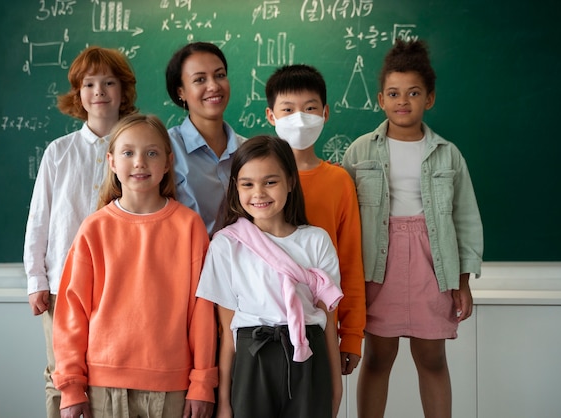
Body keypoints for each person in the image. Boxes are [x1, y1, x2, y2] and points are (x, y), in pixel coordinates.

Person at [342, 39, 483, 418]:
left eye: (414, 92)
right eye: (394, 93)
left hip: (432, 263)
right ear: (380, 99)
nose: (403, 100)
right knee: (377, 357)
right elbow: (346, 219)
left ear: (429, 99)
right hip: (378, 262)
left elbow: (466, 218)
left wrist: (463, 281)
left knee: (432, 358)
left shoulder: (447, 153)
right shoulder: (359, 151)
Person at [52, 113, 218, 418]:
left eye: (151, 153)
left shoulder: (189, 227)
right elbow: (72, 311)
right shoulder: (94, 228)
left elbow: (202, 310)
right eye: (128, 153)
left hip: (173, 386)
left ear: (168, 163)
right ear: (112, 162)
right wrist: (72, 385)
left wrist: (203, 381)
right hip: (104, 385)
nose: (139, 162)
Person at [23, 45, 138, 418]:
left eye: (109, 82)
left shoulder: (137, 151)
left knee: (108, 373)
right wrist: (35, 280)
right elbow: (39, 220)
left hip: (120, 283)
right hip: (62, 283)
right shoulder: (59, 152)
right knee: (62, 372)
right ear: (78, 95)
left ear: (124, 92)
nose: (100, 91)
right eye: (89, 84)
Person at [197, 135, 344, 418]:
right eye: (247, 184)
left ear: (290, 182)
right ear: (235, 187)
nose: (259, 193)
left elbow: (329, 325)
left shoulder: (316, 241)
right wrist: (225, 403)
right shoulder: (226, 245)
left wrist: (336, 389)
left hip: (309, 360)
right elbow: (228, 336)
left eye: (270, 182)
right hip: (253, 361)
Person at [264, 64, 366, 375]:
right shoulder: (257, 180)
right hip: (263, 323)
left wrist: (351, 335)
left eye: (310, 108)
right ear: (271, 116)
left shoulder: (339, 181)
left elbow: (349, 261)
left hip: (322, 323)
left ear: (325, 113)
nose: (300, 117)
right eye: (288, 109)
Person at [165, 41, 247, 235]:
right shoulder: (165, 148)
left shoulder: (249, 150)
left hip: (241, 262)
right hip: (186, 260)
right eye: (200, 80)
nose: (213, 86)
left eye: (220, 75)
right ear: (181, 92)